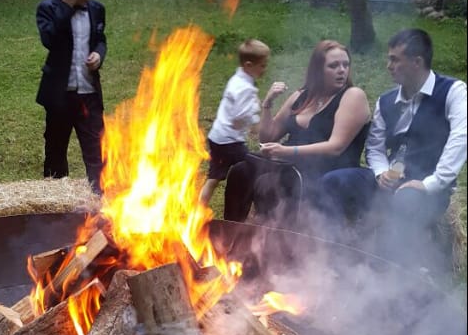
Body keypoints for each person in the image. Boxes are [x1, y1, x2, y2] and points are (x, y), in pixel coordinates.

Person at [317, 28, 467, 265]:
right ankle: (336, 257)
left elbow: (461, 139)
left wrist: (431, 183)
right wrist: (380, 173)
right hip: (390, 180)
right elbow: (375, 148)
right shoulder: (386, 100)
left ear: (417, 62)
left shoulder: (453, 92)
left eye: (394, 59)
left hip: (429, 188)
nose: (388, 65)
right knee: (333, 181)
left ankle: (389, 272)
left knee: (404, 201)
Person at [223, 39, 370, 222]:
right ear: (318, 70)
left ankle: (283, 243)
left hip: (326, 169)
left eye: (345, 64)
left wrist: (287, 151)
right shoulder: (302, 96)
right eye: (333, 66)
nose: (342, 70)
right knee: (241, 171)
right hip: (287, 165)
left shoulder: (352, 96)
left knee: (279, 182)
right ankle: (230, 235)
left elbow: (336, 147)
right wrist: (267, 105)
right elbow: (268, 135)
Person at [35, 0, 107, 192]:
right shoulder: (48, 8)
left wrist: (98, 54)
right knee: (55, 154)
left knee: (98, 153)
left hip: (88, 95)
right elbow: (51, 40)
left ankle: (101, 205)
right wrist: (66, 7)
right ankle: (56, 209)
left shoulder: (96, 9)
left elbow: (100, 40)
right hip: (60, 97)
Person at [199, 39, 270, 208]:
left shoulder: (236, 79)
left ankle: (197, 210)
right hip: (230, 142)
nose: (264, 70)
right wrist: (254, 113)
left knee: (214, 178)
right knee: (254, 168)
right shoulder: (245, 88)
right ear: (248, 65)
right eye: (262, 66)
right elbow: (239, 115)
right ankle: (256, 208)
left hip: (217, 137)